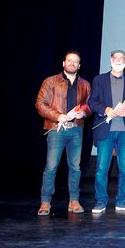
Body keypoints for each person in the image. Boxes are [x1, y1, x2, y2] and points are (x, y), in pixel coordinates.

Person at [35, 50, 92, 216]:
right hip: (56, 129)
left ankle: (74, 200)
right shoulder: (50, 81)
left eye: (75, 61)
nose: (72, 63)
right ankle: (45, 201)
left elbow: (89, 106)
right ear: (63, 63)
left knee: (75, 167)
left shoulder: (85, 84)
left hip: (76, 130)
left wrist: (84, 113)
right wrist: (58, 116)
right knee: (51, 166)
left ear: (79, 66)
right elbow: (40, 104)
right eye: (69, 60)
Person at [88, 50, 125, 214]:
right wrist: (105, 109)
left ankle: (122, 200)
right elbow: (92, 101)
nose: (119, 60)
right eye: (116, 58)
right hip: (105, 130)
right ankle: (100, 201)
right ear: (111, 60)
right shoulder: (99, 80)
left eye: (122, 58)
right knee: (101, 169)